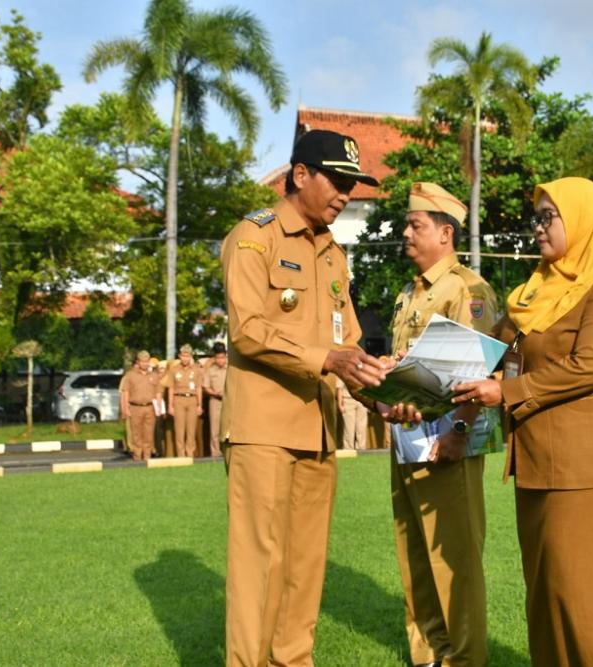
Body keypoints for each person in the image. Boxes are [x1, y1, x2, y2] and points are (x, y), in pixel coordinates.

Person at [453, 177, 593, 666]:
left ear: (582, 219)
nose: (538, 228)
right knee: (548, 598)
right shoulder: (535, 291)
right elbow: (486, 349)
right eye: (536, 217)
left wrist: (509, 391)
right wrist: (411, 378)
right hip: (543, 465)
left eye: (549, 216)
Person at [220, 129, 390, 667]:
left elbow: (351, 346)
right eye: (338, 181)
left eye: (353, 185)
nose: (346, 194)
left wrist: (383, 395)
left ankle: (293, 661)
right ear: (300, 175)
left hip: (318, 429)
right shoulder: (255, 237)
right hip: (264, 427)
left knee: (305, 563)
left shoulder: (333, 254)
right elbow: (248, 329)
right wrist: (326, 358)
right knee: (259, 564)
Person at [377, 182, 498, 667]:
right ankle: (428, 653)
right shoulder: (411, 291)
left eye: (415, 225)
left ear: (445, 233)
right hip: (409, 439)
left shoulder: (467, 289)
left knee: (455, 562)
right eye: (408, 224)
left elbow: (479, 372)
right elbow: (417, 366)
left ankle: (464, 658)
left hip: (450, 441)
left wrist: (459, 433)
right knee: (415, 555)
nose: (405, 232)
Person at [120, 350, 159, 461]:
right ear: (138, 362)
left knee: (149, 434)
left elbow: (158, 392)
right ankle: (137, 458)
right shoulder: (131, 375)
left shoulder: (154, 376)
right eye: (142, 361)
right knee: (136, 435)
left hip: (150, 407)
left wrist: (159, 408)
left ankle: (147, 457)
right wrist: (125, 408)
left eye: (147, 361)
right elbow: (125, 392)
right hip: (135, 407)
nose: (145, 364)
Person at [166, 344, 203, 458]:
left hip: (192, 399)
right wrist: (170, 405)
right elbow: (171, 388)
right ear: (179, 356)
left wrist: (199, 405)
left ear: (191, 356)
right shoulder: (174, 370)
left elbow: (199, 388)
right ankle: (181, 455)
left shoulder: (196, 370)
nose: (185, 358)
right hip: (178, 399)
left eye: (187, 356)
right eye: (183, 356)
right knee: (179, 430)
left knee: (191, 430)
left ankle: (190, 454)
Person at [203, 342, 228, 457]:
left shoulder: (230, 369)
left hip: (229, 400)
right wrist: (215, 393)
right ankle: (215, 452)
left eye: (222, 357)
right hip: (215, 400)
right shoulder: (210, 370)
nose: (220, 360)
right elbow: (206, 387)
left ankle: (227, 451)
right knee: (215, 428)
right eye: (218, 358)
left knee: (228, 426)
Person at [336, 380, 367, 449]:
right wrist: (340, 403)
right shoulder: (343, 369)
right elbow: (339, 387)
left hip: (362, 400)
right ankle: (348, 449)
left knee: (361, 428)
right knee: (349, 428)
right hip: (348, 400)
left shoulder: (365, 369)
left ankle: (361, 449)